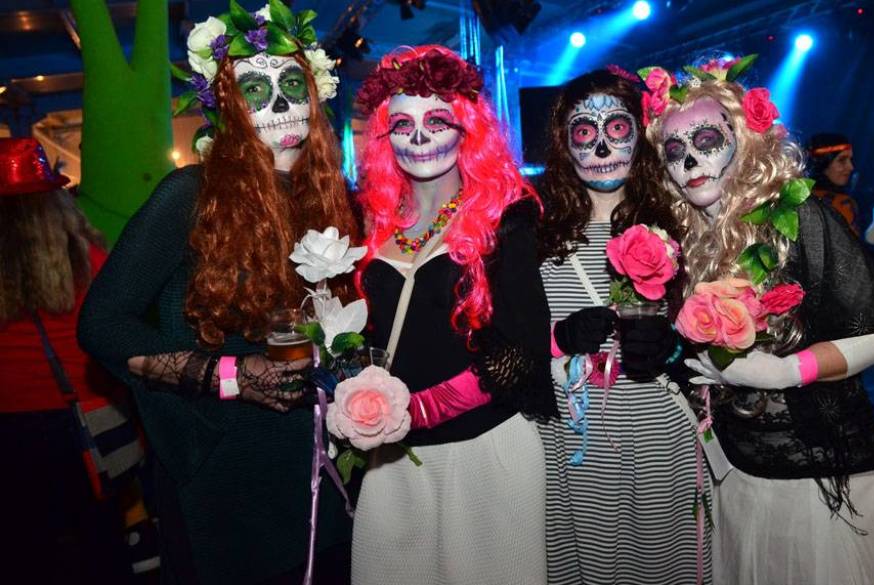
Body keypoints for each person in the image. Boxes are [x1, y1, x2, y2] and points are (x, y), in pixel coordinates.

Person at [78, 5, 359, 583]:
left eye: (291, 85)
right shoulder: (190, 194)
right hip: (226, 473)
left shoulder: (328, 197)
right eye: (255, 89)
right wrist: (229, 375)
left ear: (314, 95)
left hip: (315, 463)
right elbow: (102, 324)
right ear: (228, 104)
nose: (279, 105)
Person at [642, 58, 874, 584]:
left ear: (743, 140)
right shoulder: (686, 243)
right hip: (740, 480)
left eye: (706, 140)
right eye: (674, 150)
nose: (690, 159)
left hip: (823, 486)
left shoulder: (797, 218)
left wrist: (789, 371)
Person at [352, 45, 554, 585]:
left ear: (467, 128)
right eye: (403, 125)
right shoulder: (372, 223)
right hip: (393, 457)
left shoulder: (505, 218)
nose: (419, 138)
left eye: (436, 121)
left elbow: (523, 355)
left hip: (485, 453)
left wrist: (419, 409)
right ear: (385, 136)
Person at [535, 68, 709, 584]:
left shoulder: (683, 223)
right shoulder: (535, 233)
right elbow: (504, 343)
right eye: (585, 132)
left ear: (640, 135)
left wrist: (674, 348)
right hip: (572, 446)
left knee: (662, 567)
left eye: (616, 128)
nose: (602, 147)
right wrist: (557, 339)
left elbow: (712, 338)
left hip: (658, 439)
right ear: (564, 143)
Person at [0, 137, 134, 584]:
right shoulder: (88, 258)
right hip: (85, 424)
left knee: (24, 552)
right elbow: (118, 334)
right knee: (101, 544)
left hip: (9, 432)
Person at [807, 132, 859, 231]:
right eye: (842, 160)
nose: (851, 167)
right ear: (822, 163)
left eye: (850, 160)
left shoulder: (797, 199)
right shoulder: (844, 203)